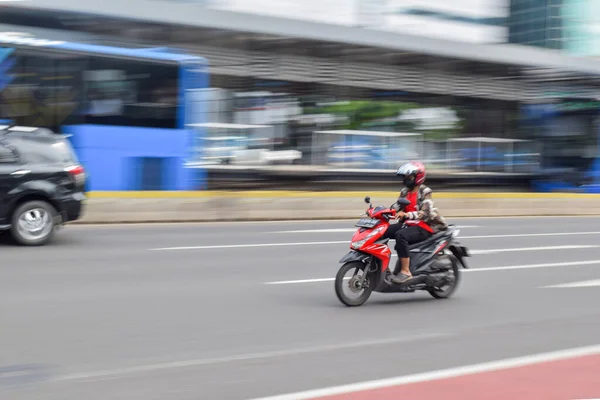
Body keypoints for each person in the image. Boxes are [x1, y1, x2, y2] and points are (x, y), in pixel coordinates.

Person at [384, 162, 448, 284]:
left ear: (418, 177)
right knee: (382, 231)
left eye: (409, 177)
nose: (406, 179)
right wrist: (380, 212)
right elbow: (396, 206)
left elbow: (425, 213)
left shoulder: (425, 191)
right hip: (409, 224)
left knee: (401, 235)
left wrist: (407, 215)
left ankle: (405, 271)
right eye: (405, 177)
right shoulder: (405, 192)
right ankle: (384, 268)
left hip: (424, 226)